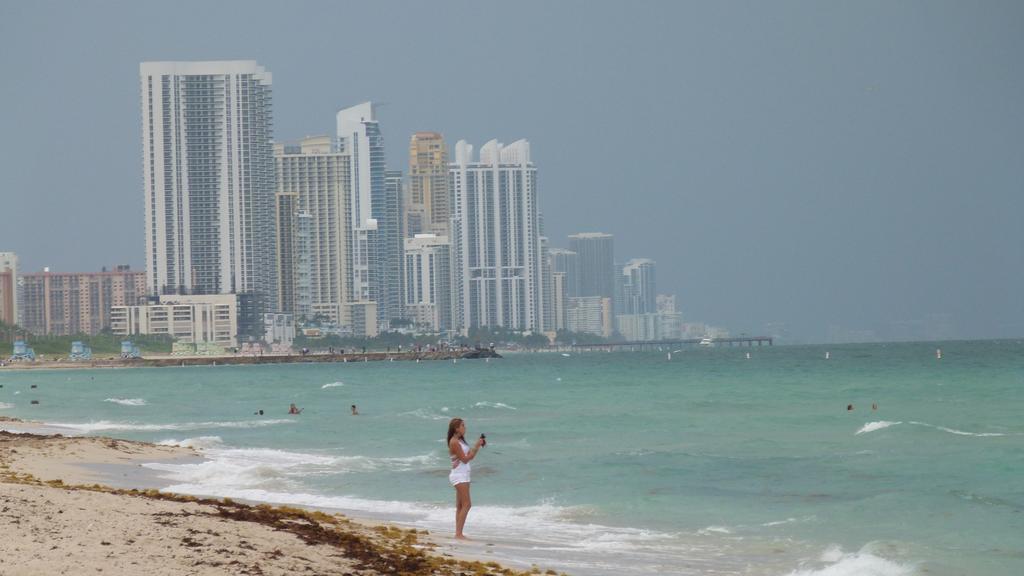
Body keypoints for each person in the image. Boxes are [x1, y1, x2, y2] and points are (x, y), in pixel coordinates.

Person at [447, 417, 485, 540]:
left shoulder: (460, 440)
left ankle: (458, 533)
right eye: (463, 426)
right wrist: (477, 446)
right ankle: (458, 534)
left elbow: (465, 457)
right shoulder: (454, 442)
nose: (465, 428)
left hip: (464, 474)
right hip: (459, 475)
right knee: (467, 504)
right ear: (456, 428)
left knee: (460, 505)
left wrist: (476, 446)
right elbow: (465, 459)